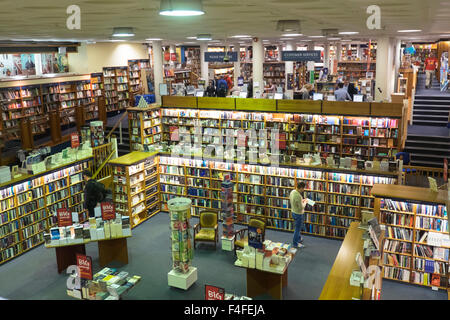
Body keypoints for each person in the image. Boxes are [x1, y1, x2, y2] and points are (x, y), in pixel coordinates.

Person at [290, 181, 308, 248]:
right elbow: (301, 207)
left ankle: (299, 238)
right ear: (301, 188)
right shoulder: (298, 196)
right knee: (297, 229)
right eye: (303, 189)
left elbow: (295, 202)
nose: (303, 190)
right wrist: (305, 202)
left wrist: (302, 201)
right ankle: (295, 243)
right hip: (298, 214)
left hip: (293, 212)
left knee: (297, 227)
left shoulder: (292, 192)